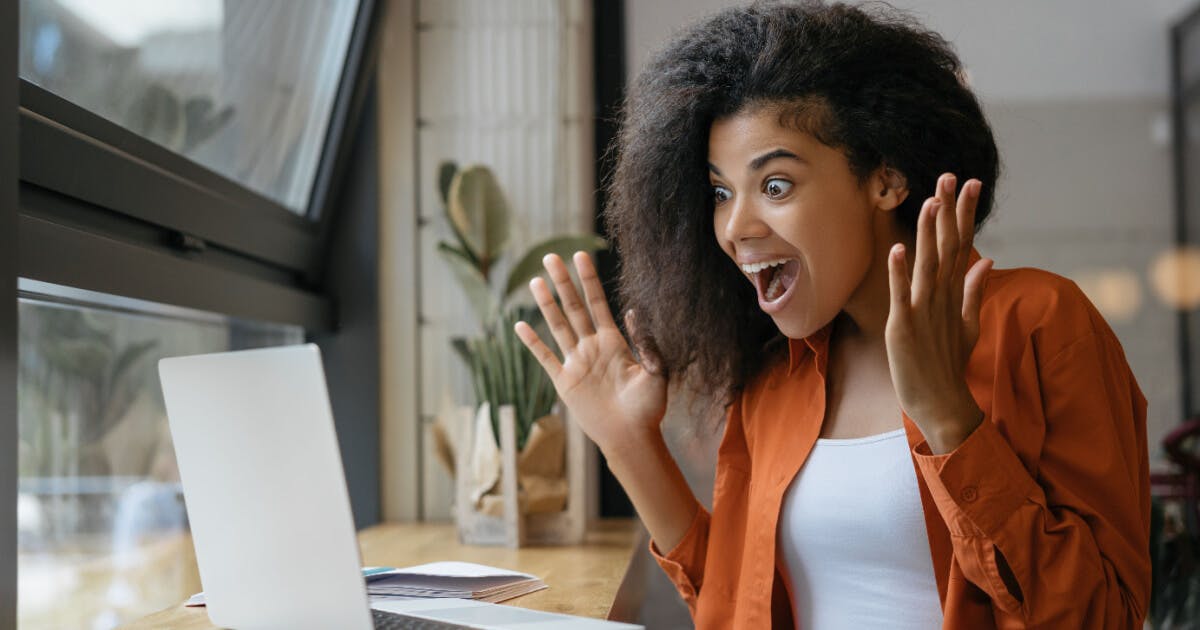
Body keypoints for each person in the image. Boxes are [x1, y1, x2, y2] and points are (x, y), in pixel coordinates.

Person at [513, 2, 1151, 628]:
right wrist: (629, 444)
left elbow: (1104, 615)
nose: (735, 226)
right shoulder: (774, 380)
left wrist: (950, 419)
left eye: (776, 185)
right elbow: (737, 604)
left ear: (885, 179)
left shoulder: (1039, 321)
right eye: (720, 192)